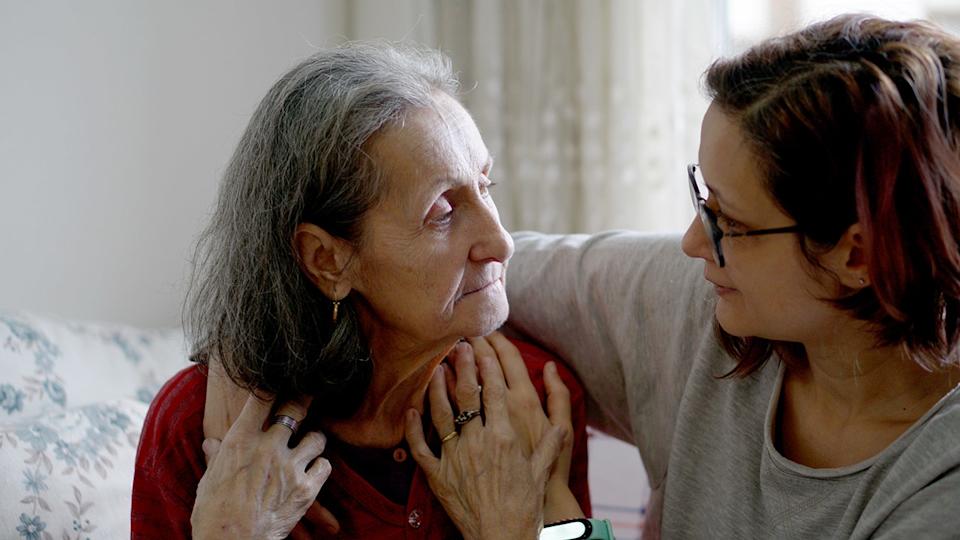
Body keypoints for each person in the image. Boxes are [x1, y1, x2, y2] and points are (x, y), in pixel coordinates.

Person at [416, 14, 960, 539]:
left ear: (858, 256)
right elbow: (466, 274)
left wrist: (539, 523)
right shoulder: (701, 302)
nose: (692, 242)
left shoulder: (939, 492)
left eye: (731, 222)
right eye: (703, 198)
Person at [130, 42, 591, 539]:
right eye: (442, 211)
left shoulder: (532, 400)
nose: (500, 242)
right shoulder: (197, 430)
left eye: (485, 186)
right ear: (326, 260)